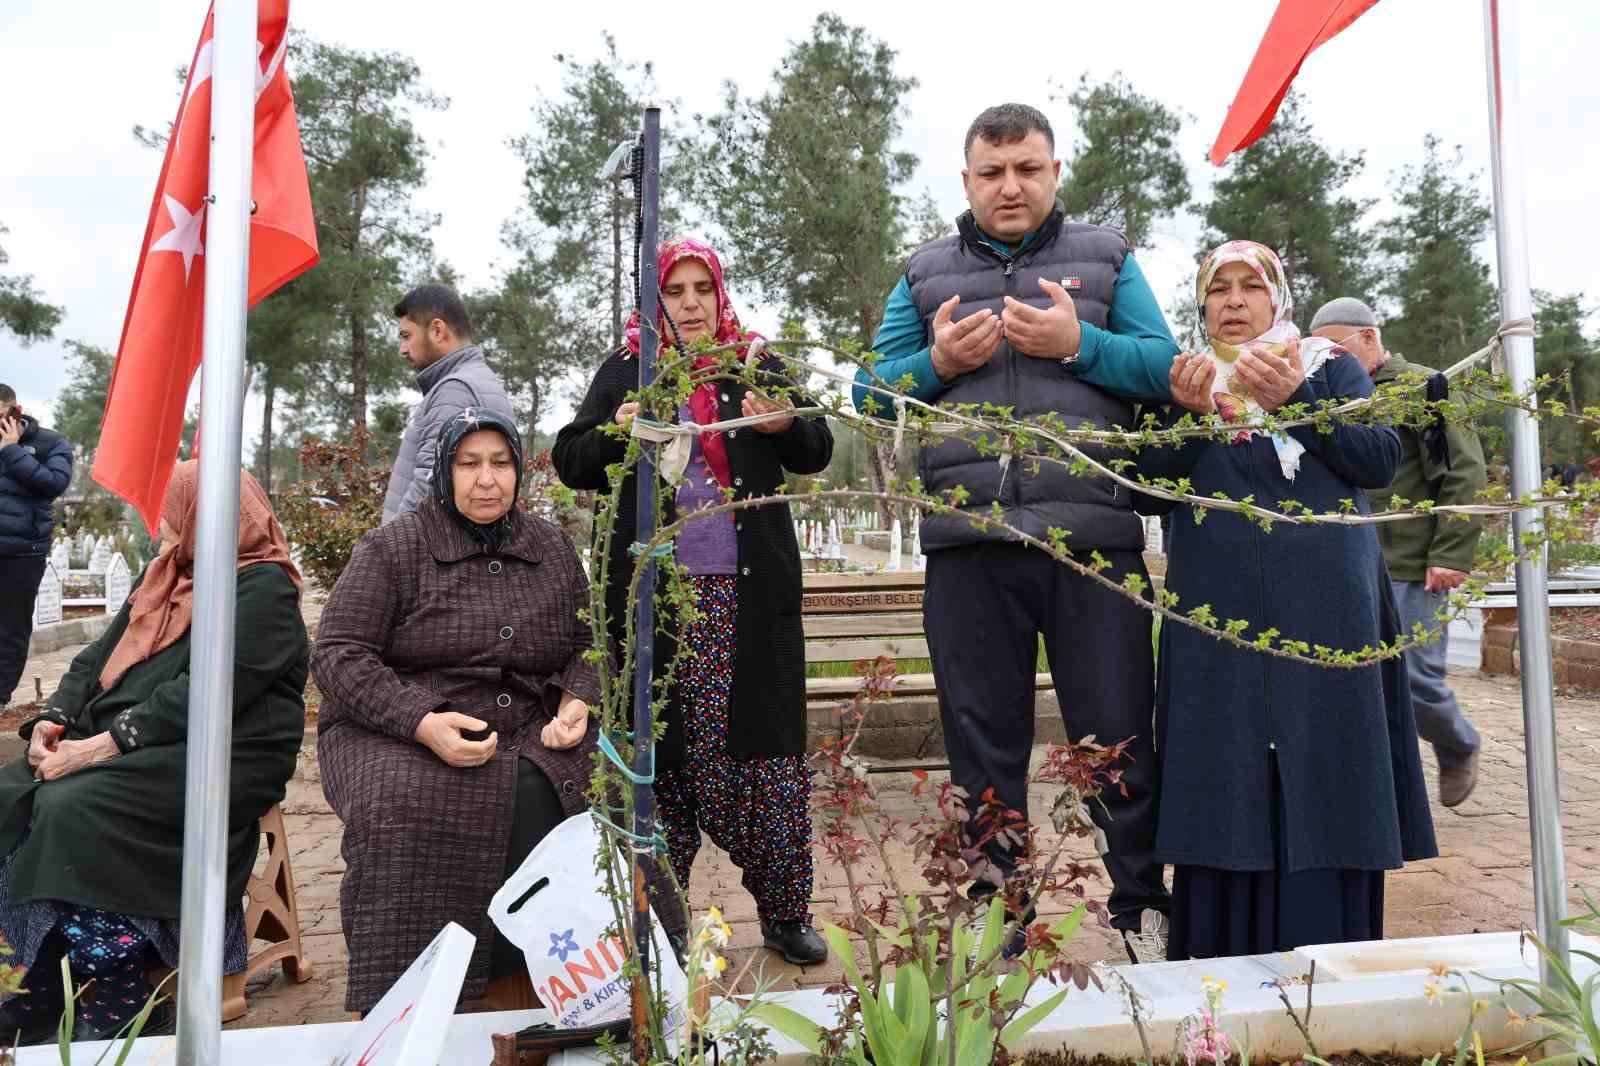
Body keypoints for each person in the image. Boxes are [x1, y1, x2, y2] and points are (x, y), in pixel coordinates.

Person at [850, 103, 1176, 961]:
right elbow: (867, 392)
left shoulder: (1107, 260)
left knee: (1117, 737)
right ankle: (999, 918)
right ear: (966, 181)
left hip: (1091, 546)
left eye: (1027, 169)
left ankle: (1141, 906)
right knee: (982, 747)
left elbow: (1166, 367)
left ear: (1054, 173)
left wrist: (1080, 344)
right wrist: (938, 365)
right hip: (971, 546)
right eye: (992, 173)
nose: (1010, 186)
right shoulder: (923, 273)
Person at [1146, 241, 1437, 960]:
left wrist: (1298, 404)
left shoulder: (1326, 366)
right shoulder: (1183, 379)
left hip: (1327, 608)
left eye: (1251, 287)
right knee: (1224, 761)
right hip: (1217, 611)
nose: (1235, 301)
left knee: (1328, 755)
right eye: (1221, 288)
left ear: (1278, 298)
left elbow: (1377, 460)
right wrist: (1188, 420)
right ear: (1203, 301)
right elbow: (1140, 482)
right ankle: (1218, 962)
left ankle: (1329, 953)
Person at [317, 408, 661, 1014]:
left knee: (601, 783)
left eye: (500, 463)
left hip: (528, 721)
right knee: (401, 803)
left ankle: (585, 979)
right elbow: (339, 655)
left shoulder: (549, 546)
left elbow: (588, 644)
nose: (486, 480)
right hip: (396, 725)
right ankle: (415, 998)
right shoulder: (395, 548)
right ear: (445, 471)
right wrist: (421, 721)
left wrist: (575, 700)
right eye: (469, 464)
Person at [553, 237, 834, 966]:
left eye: (700, 290)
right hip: (656, 605)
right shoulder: (628, 368)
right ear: (657, 300)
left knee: (763, 758)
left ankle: (783, 912)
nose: (689, 305)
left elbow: (816, 446)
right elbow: (570, 457)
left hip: (749, 603)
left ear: (720, 294)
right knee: (664, 754)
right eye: (674, 292)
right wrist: (620, 431)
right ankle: (659, 918)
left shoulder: (756, 363)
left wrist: (782, 422)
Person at [0, 461, 306, 1042]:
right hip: (137, 739)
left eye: (173, 507)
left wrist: (100, 749)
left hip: (227, 749)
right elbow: (95, 661)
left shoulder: (262, 586)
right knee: (12, 794)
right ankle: (34, 980)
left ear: (208, 515)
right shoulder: (167, 572)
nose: (159, 522)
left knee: (74, 808)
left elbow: (207, 691)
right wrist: (54, 720)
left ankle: (121, 989)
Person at [1311, 297, 1488, 806]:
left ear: (1370, 337)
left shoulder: (1426, 388)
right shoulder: (1335, 398)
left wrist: (1452, 553)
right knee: (1354, 678)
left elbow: (1463, 471)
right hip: (1349, 561)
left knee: (1413, 676)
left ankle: (1457, 742)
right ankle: (1379, 790)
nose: (1330, 361)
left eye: (1337, 349)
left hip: (1414, 562)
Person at [381, 284, 513, 524]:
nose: (402, 349)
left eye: (406, 336)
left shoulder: (455, 390)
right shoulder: (476, 379)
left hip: (423, 554)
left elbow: (427, 485)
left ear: (437, 331)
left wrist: (388, 550)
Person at [0, 384, 73, 708]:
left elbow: (53, 484)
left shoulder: (50, 443)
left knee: (10, 629)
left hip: (21, 552)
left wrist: (12, 450)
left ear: (15, 410)